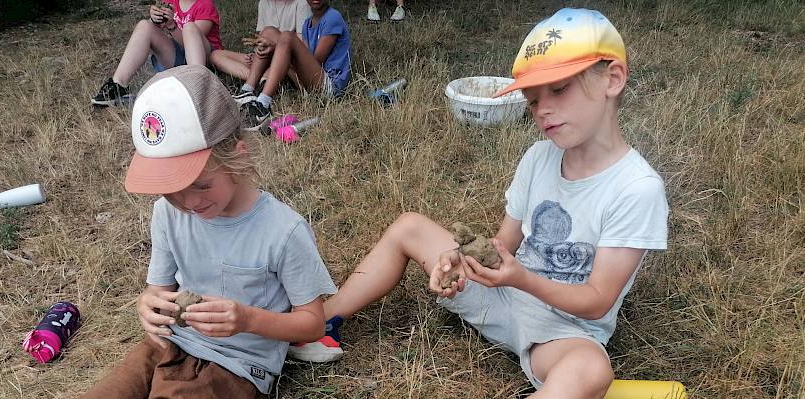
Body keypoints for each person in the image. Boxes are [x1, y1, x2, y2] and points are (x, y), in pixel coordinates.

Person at [288, 8, 670, 399]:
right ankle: (321, 319)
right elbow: (502, 245)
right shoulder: (539, 157)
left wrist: (521, 278)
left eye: (558, 89)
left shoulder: (635, 188)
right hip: (501, 296)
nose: (542, 111)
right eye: (533, 100)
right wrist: (458, 261)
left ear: (613, 79)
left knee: (591, 369)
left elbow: (596, 301)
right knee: (409, 226)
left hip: (561, 332)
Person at [80, 65, 337, 398]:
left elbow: (313, 322)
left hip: (236, 364)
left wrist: (246, 319)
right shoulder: (167, 211)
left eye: (201, 184)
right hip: (165, 344)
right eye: (171, 187)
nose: (188, 202)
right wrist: (148, 302)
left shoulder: (283, 230)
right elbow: (157, 291)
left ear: (237, 157)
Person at [239, 0, 351, 130]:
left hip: (330, 88)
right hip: (310, 84)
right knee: (270, 31)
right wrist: (278, 48)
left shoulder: (333, 17)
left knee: (287, 37)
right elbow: (304, 57)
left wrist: (279, 47)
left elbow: (315, 61)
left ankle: (263, 104)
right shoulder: (308, 23)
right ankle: (247, 90)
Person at [90, 0, 223, 107]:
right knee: (145, 26)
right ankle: (117, 85)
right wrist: (155, 18)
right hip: (179, 59)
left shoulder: (205, 5)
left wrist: (172, 25)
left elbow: (191, 43)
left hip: (205, 61)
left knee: (189, 27)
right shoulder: (170, 2)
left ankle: (197, 89)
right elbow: (155, 30)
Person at [210, 0, 311, 87]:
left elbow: (301, 45)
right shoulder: (264, 2)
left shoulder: (301, 3)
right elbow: (261, 39)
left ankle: (259, 81)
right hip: (264, 57)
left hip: (286, 60)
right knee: (216, 55)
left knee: (270, 31)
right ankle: (260, 79)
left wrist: (273, 50)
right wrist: (255, 53)